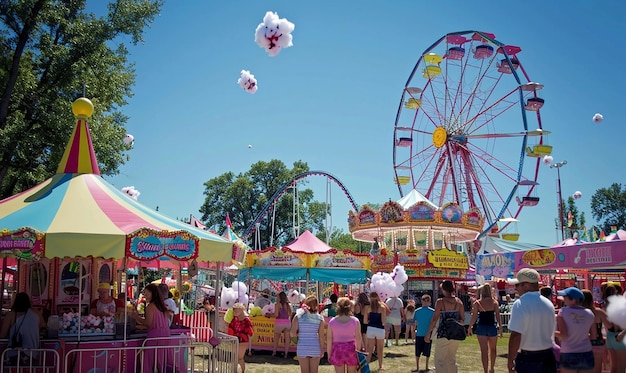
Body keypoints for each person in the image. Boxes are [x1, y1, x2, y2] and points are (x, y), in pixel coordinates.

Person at [506, 268, 557, 373]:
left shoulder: (520, 304)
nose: (516, 289)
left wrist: (510, 359)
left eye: (517, 285)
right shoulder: (548, 304)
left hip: (528, 358)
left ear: (526, 285)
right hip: (548, 355)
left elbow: (516, 335)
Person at [425, 280, 465, 373]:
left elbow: (434, 319)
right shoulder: (459, 302)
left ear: (444, 289)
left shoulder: (440, 302)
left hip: (443, 333)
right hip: (455, 334)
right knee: (451, 359)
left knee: (440, 360)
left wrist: (428, 333)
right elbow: (462, 319)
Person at [133, 283, 173, 373]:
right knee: (162, 361)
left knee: (149, 360)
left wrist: (136, 317)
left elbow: (149, 323)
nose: (145, 296)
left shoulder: (150, 306)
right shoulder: (162, 306)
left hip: (155, 337)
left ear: (153, 293)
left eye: (147, 294)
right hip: (165, 335)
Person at [555, 287, 595, 373]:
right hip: (586, 351)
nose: (563, 300)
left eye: (565, 297)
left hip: (568, 352)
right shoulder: (589, 313)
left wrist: (551, 332)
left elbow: (563, 335)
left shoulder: (563, 312)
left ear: (573, 300)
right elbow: (593, 336)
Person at [468, 283, 503, 373]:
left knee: (484, 351)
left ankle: (485, 370)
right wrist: (500, 327)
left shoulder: (477, 303)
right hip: (492, 326)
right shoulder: (494, 302)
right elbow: (498, 316)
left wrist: (470, 326)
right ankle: (492, 368)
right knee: (493, 349)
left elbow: (474, 316)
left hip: (481, 327)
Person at [0, 292, 42, 364]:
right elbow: (43, 328)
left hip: (14, 352)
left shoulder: (11, 315)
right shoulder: (36, 313)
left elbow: (2, 335)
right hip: (33, 352)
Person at [327, 297, 362, 373]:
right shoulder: (355, 321)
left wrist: (329, 354)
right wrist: (358, 352)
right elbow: (358, 338)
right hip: (351, 349)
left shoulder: (332, 321)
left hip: (337, 350)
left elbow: (329, 339)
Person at [291, 295, 324, 373]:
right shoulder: (320, 318)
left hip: (302, 346)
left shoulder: (298, 316)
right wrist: (322, 349)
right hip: (315, 347)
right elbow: (321, 336)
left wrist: (296, 340)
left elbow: (292, 333)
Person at [581, 289, 612, 373]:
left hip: (582, 343)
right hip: (597, 342)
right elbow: (610, 326)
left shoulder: (579, 313)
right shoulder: (599, 312)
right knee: (598, 368)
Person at [602, 284, 626, 373]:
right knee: (621, 368)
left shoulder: (604, 307)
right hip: (620, 336)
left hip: (610, 337)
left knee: (613, 367)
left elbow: (607, 325)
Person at [363, 291, 387, 371]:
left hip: (370, 328)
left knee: (370, 349)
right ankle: (380, 366)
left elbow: (365, 321)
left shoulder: (367, 308)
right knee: (380, 349)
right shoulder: (382, 307)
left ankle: (366, 367)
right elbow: (383, 321)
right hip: (380, 329)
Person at [228, 302, 254, 373]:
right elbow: (230, 328)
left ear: (241, 310)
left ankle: (242, 371)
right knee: (234, 358)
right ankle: (235, 371)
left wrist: (249, 348)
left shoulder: (246, 320)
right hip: (235, 339)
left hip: (243, 340)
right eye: (234, 310)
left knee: (240, 358)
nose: (235, 312)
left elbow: (250, 332)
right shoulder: (234, 319)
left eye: (237, 310)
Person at [413, 294, 435, 373]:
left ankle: (419, 367)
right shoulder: (432, 312)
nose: (425, 302)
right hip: (426, 334)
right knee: (426, 351)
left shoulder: (417, 311)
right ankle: (425, 366)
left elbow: (413, 322)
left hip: (422, 334)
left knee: (419, 352)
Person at [272, 291, 293, 358]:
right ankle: (286, 354)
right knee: (287, 340)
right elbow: (290, 314)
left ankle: (274, 352)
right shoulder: (288, 305)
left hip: (279, 322)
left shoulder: (277, 304)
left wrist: (270, 314)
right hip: (287, 323)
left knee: (276, 339)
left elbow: (276, 314)